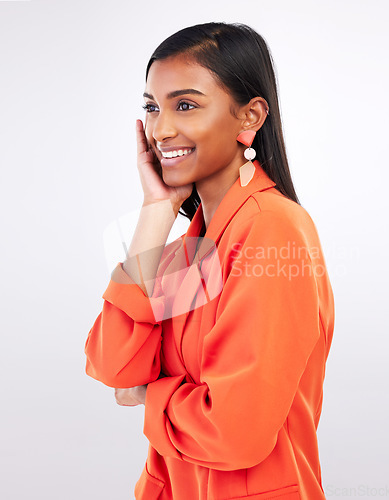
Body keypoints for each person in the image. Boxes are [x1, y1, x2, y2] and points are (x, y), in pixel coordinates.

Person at [84, 22, 335, 500]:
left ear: (250, 116)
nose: (161, 129)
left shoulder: (271, 230)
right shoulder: (192, 250)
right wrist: (156, 212)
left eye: (185, 105)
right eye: (152, 107)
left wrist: (148, 395)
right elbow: (114, 365)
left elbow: (234, 431)